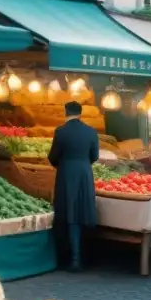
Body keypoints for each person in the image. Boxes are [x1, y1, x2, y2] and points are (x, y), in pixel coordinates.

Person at [47, 101, 99, 272]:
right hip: (85, 172)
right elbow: (95, 156)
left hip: (67, 173)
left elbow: (53, 157)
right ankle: (86, 255)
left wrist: (63, 163)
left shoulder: (61, 132)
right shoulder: (91, 132)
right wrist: (83, 163)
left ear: (66, 112)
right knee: (83, 210)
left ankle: (73, 258)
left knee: (69, 212)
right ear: (80, 113)